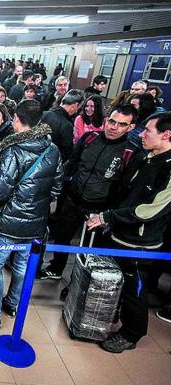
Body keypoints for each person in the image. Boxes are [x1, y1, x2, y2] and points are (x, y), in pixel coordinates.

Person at [0, 100, 63, 330]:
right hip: (37, 224)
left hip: (9, 223)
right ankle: (11, 305)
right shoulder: (52, 148)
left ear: (16, 119)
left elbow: (0, 192)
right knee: (22, 266)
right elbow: (57, 187)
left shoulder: (13, 151)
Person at [87, 112, 171, 353]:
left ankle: (131, 333)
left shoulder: (168, 169)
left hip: (140, 244)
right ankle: (110, 317)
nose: (141, 134)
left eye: (148, 131)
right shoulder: (145, 157)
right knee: (116, 282)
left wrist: (108, 217)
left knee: (135, 291)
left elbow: (149, 210)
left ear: (166, 135)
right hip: (118, 233)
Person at [38, 104, 138, 280]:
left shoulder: (131, 152)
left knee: (89, 249)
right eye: (112, 121)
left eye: (122, 124)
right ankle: (56, 269)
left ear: (131, 127)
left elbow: (125, 188)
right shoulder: (89, 138)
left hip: (99, 209)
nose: (114, 127)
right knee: (61, 236)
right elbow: (71, 164)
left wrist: (109, 214)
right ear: (106, 120)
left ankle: (79, 283)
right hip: (73, 200)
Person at [41, 89, 85, 162]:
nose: (77, 111)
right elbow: (66, 152)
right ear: (76, 105)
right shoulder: (67, 125)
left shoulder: (43, 114)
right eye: (78, 108)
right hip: (48, 164)